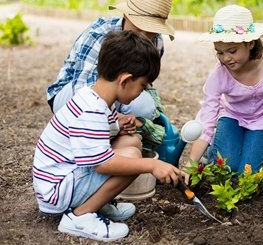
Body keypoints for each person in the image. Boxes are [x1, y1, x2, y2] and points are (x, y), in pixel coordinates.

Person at [33, 31, 185, 242]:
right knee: (133, 158)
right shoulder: (91, 111)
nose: (141, 92)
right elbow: (102, 165)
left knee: (131, 142)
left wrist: (118, 126)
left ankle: (97, 202)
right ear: (125, 80)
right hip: (56, 191)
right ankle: (80, 216)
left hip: (65, 175)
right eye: (142, 86)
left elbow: (99, 135)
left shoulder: (94, 96)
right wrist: (150, 166)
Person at [46, 0, 175, 129]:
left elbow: (140, 82)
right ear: (127, 16)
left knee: (145, 106)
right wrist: (114, 118)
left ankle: (113, 133)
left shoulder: (156, 42)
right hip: (73, 93)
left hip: (118, 92)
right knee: (91, 111)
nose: (144, 36)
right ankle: (95, 129)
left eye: (151, 31)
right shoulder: (99, 35)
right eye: (139, 28)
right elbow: (82, 89)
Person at [187, 4, 263, 173]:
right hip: (232, 116)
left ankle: (238, 145)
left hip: (262, 119)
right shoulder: (219, 74)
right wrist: (190, 165)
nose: (226, 58)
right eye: (220, 52)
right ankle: (213, 144)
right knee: (227, 168)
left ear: (250, 43)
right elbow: (207, 117)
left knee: (247, 172)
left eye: (232, 51)